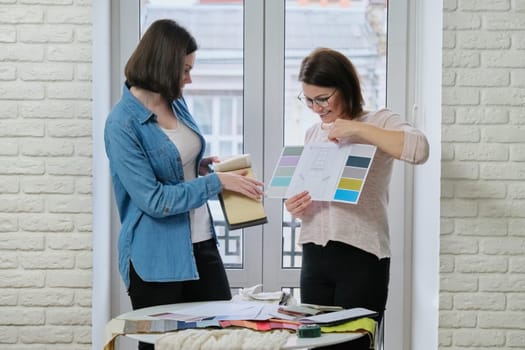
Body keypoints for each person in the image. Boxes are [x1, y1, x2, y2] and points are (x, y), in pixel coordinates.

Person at [104, 19, 264, 350]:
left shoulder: (176, 101)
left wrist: (200, 168)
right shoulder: (121, 124)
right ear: (163, 65)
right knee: (164, 346)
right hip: (155, 260)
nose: (189, 78)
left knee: (220, 341)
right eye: (184, 70)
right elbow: (154, 200)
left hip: (202, 244)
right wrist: (215, 184)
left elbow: (176, 165)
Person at [285, 48, 429, 349]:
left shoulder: (379, 120)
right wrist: (295, 206)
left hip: (361, 258)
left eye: (322, 98)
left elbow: (419, 149)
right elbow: (311, 191)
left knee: (354, 346)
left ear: (346, 87)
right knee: (315, 346)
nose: (316, 108)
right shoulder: (313, 132)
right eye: (308, 100)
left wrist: (356, 128)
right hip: (314, 257)